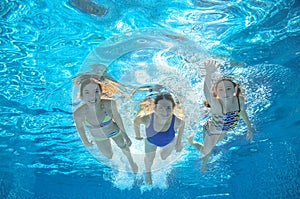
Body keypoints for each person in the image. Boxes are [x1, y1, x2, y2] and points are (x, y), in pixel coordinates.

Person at [187, 59, 253, 172]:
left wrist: (249, 128)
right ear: (216, 93)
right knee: (206, 151)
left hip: (222, 132)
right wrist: (208, 74)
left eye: (228, 89)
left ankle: (195, 143)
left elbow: (242, 111)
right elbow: (206, 92)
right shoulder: (217, 105)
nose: (225, 93)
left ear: (235, 89)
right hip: (211, 131)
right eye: (221, 90)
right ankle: (196, 150)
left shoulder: (239, 100)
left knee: (208, 148)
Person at [73, 77, 138, 173]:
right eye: (87, 93)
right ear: (81, 96)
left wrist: (125, 135)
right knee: (109, 155)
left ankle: (131, 162)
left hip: (113, 131)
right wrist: (85, 141)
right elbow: (80, 128)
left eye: (96, 92)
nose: (93, 96)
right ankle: (120, 163)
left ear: (101, 93)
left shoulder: (109, 104)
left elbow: (118, 119)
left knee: (123, 146)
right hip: (99, 137)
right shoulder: (79, 113)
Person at [134, 93, 185, 184]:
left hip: (169, 142)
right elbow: (136, 121)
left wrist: (179, 142)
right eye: (161, 108)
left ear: (173, 108)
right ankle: (148, 174)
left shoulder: (176, 121)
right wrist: (138, 136)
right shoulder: (148, 119)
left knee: (163, 157)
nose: (165, 112)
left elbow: (182, 124)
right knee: (149, 158)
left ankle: (175, 140)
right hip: (151, 142)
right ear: (155, 109)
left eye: (168, 108)